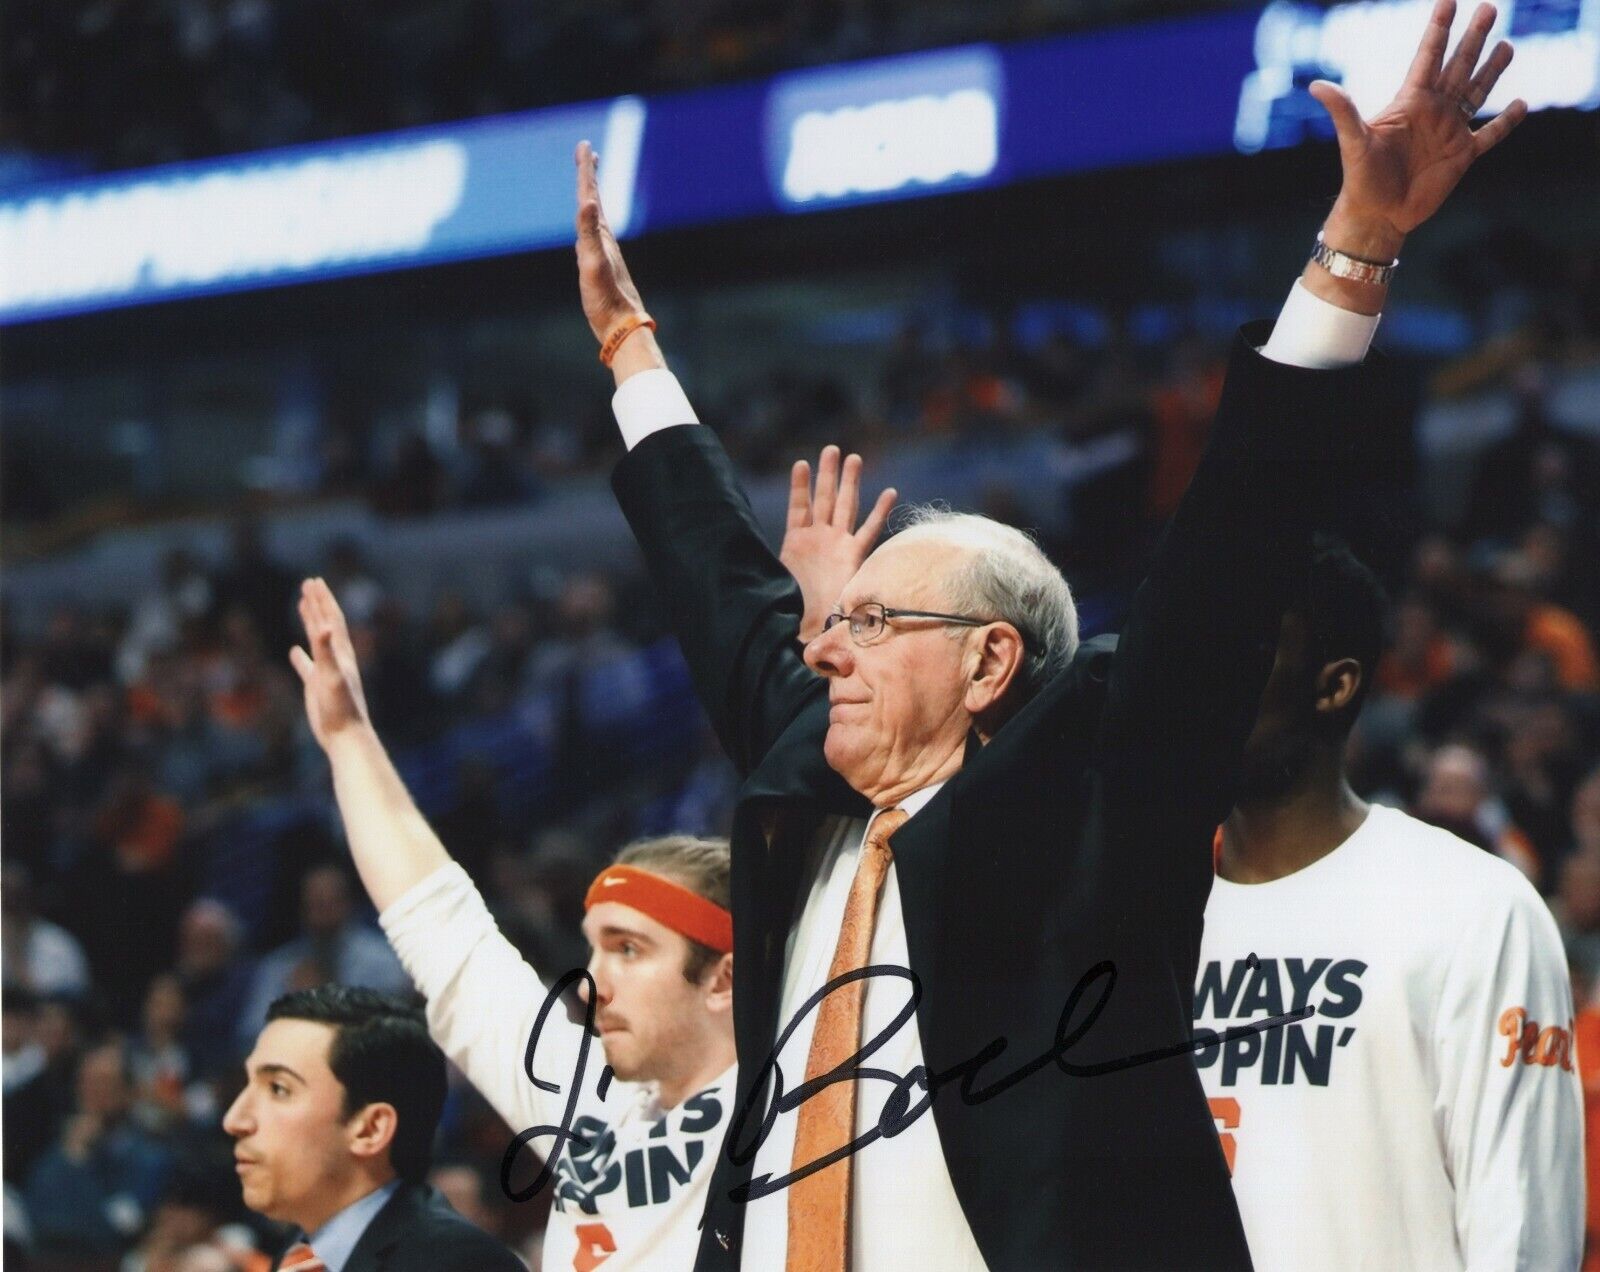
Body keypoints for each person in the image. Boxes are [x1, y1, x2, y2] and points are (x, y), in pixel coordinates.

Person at [573, 2, 1526, 1266]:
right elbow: (714, 584)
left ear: (988, 662)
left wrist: (1353, 247)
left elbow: (1230, 551)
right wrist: (631, 352)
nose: (821, 645)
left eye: (870, 619)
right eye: (831, 621)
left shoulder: (1089, 800)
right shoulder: (811, 780)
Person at [289, 578, 737, 1270]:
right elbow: (444, 929)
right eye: (595, 948)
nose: (595, 981)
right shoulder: (587, 1093)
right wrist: (350, 744)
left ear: (720, 978)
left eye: (630, 950)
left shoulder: (801, 1102)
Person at [1193, 538, 1582, 1270]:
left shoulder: (1470, 906)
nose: (1200, 682)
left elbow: (1521, 1230)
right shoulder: (1141, 915)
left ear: (1334, 686)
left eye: (1239, 652)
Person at [224, 985, 523, 1272]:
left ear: (371, 1130)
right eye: (246, 1084)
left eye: (278, 1089)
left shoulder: (462, 1264)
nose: (234, 1120)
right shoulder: (298, 1252)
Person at [236, 865, 409, 1051]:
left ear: (349, 903)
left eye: (331, 902)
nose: (323, 913)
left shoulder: (384, 961)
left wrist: (322, 999)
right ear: (302, 907)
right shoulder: (279, 965)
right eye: (316, 903)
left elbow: (391, 1033)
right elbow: (250, 1037)